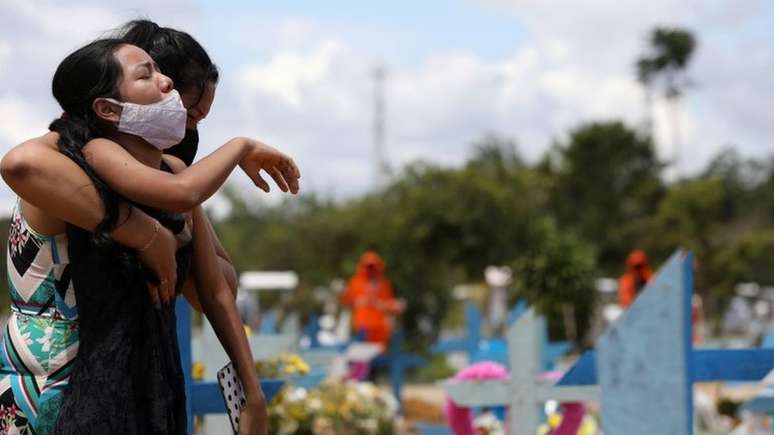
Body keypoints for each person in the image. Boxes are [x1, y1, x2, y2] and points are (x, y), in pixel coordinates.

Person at [3, 39, 298, 434]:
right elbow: (19, 162)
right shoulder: (81, 158)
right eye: (191, 115)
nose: (167, 88)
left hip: (148, 384)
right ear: (106, 107)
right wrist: (146, 233)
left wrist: (253, 392)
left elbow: (214, 290)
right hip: (55, 384)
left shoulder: (171, 169)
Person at [340, 251, 402, 346]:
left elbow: (390, 304)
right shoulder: (356, 282)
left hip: (380, 329)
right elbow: (347, 301)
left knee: (379, 357)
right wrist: (359, 301)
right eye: (368, 267)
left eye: (373, 267)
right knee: (362, 356)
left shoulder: (383, 283)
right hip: (363, 328)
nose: (371, 270)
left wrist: (383, 305)